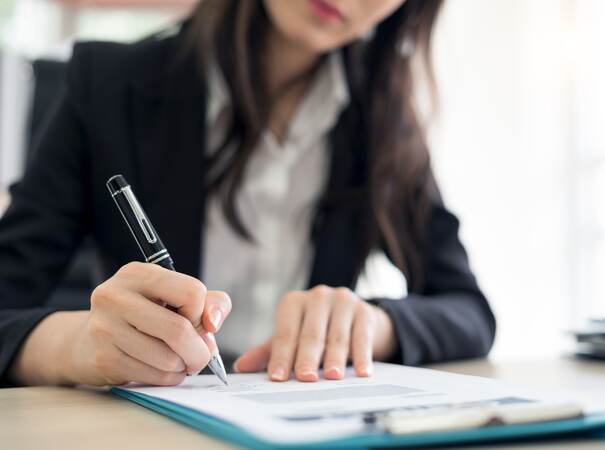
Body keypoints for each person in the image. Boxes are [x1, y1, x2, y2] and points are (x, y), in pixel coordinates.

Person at [0, 0, 495, 387]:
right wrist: (80, 344)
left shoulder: (383, 120)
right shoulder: (106, 86)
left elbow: (469, 310)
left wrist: (372, 324)